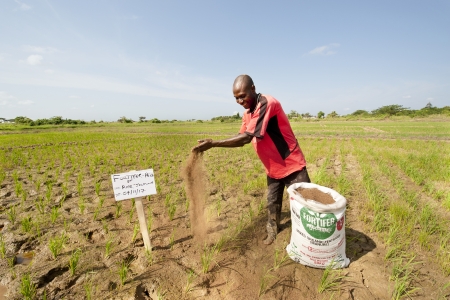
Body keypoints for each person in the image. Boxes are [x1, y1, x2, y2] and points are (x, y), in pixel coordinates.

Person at [192, 74, 310, 245]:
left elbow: (247, 137)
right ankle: (272, 232)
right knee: (272, 202)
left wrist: (213, 144)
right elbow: (240, 138)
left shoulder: (267, 103)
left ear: (253, 89)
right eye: (236, 98)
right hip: (273, 167)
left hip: (291, 164)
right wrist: (213, 143)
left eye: (243, 96)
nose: (240, 101)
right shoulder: (248, 114)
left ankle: (308, 239)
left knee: (305, 204)